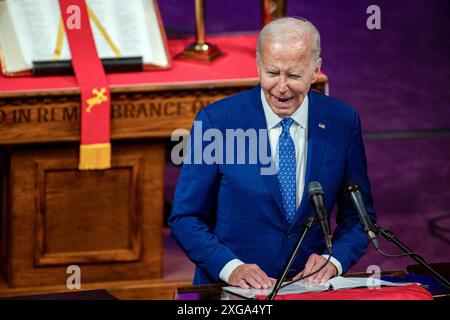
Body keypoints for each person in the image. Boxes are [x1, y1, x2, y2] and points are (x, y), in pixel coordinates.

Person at [169, 17, 376, 289]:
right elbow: (185, 218)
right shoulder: (217, 122)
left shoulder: (342, 121)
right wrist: (230, 268)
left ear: (316, 70)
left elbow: (360, 218)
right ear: (258, 66)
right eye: (271, 73)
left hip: (307, 290)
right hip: (234, 291)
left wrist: (334, 260)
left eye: (293, 75)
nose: (281, 87)